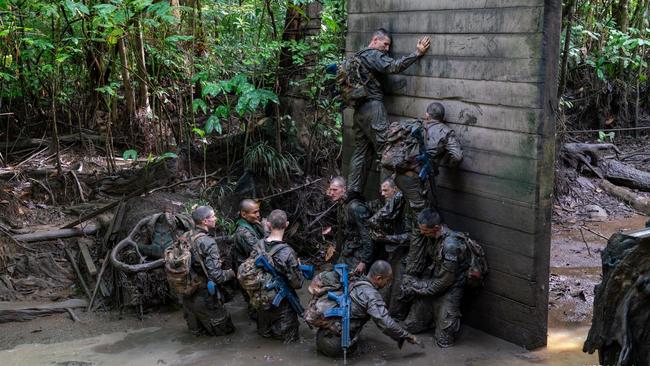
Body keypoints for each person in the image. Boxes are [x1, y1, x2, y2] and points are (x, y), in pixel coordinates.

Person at [347, 29, 431, 196]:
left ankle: (352, 193)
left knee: (360, 151)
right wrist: (417, 53)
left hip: (359, 111)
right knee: (387, 151)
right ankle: (388, 196)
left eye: (388, 46)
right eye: (385, 44)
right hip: (373, 108)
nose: (386, 49)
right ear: (375, 39)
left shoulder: (357, 56)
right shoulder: (373, 54)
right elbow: (393, 66)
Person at [314, 260, 419, 357]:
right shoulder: (371, 295)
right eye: (387, 281)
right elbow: (385, 323)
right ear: (378, 278)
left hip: (321, 338)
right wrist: (407, 336)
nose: (387, 284)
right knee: (365, 351)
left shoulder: (354, 280)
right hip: (337, 345)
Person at [400, 209, 470, 348]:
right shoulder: (431, 237)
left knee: (444, 341)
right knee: (410, 326)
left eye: (425, 231)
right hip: (433, 280)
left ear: (437, 228)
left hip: (450, 288)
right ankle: (431, 318)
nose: (422, 233)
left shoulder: (450, 245)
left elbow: (446, 281)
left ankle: (439, 318)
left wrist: (422, 289)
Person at [181, 206, 236, 336]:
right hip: (205, 296)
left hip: (188, 295)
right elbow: (217, 276)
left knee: (197, 335)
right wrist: (231, 273)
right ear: (205, 221)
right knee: (227, 332)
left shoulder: (185, 236)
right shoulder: (208, 242)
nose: (215, 218)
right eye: (213, 216)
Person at [256, 209, 305, 343]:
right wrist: (298, 268)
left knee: (264, 339)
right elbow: (297, 284)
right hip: (283, 307)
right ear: (287, 224)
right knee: (288, 342)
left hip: (261, 301)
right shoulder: (288, 252)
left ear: (269, 225)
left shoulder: (258, 245)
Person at [367, 178, 411, 311]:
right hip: (394, 250)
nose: (382, 193)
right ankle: (386, 309)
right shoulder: (391, 206)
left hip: (406, 251)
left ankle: (395, 313)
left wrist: (388, 238)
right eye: (381, 190)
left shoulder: (406, 208)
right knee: (389, 281)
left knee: (398, 282)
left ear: (396, 190)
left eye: (385, 190)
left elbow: (410, 236)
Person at [325, 176, 373, 274]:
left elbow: (368, 235)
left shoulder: (355, 207)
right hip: (349, 248)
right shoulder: (341, 203)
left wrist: (364, 261)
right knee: (338, 275)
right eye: (330, 190)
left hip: (359, 252)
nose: (332, 193)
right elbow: (344, 228)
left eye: (335, 190)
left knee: (353, 281)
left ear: (344, 189)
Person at [232, 198, 267, 317]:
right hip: (248, 272)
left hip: (251, 267)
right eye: (254, 212)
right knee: (255, 302)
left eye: (258, 211)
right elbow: (261, 251)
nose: (258, 215)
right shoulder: (244, 232)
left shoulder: (252, 224)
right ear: (243, 214)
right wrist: (266, 230)